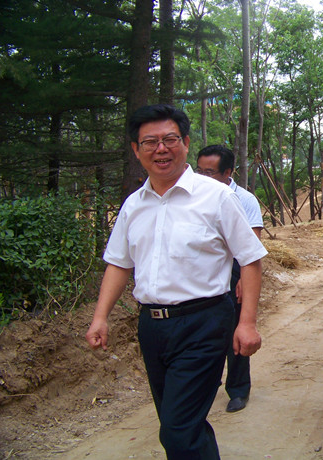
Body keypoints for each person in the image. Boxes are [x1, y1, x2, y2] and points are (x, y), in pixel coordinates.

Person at [85, 104, 267, 459]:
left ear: (185, 142)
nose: (161, 149)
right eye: (149, 142)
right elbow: (119, 263)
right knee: (182, 424)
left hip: (204, 322)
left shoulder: (217, 197)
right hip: (152, 326)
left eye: (169, 139)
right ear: (136, 150)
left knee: (178, 428)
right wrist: (100, 316)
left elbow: (250, 258)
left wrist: (247, 322)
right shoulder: (133, 205)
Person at [197, 144, 263, 413]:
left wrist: (242, 280)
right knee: (205, 331)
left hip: (235, 268)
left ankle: (238, 389)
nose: (202, 177)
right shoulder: (194, 197)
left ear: (228, 172)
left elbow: (253, 244)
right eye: (199, 170)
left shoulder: (244, 199)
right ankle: (206, 383)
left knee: (236, 329)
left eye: (209, 172)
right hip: (205, 271)